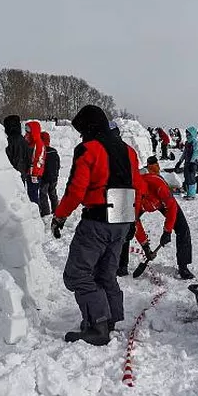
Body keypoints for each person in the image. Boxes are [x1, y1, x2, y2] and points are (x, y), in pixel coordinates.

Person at [51, 105, 144, 346]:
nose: (81, 136)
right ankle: (110, 318)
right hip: (122, 219)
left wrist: (59, 216)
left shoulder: (88, 149)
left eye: (82, 131)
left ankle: (97, 326)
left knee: (77, 274)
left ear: (89, 127)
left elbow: (75, 191)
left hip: (97, 221)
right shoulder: (128, 151)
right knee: (105, 272)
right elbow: (138, 187)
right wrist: (133, 219)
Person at [120, 156, 194, 280]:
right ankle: (121, 266)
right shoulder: (130, 198)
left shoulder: (158, 185)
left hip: (161, 202)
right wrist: (145, 246)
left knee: (182, 228)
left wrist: (167, 231)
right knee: (126, 227)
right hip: (144, 205)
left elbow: (171, 208)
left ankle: (183, 266)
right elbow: (135, 222)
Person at [174, 126, 198, 199]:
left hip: (193, 163)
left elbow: (196, 153)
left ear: (192, 134)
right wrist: (179, 162)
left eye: (189, 134)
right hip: (187, 162)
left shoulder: (196, 143)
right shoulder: (187, 143)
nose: (187, 136)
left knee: (191, 178)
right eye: (186, 134)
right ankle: (188, 193)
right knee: (186, 177)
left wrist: (192, 163)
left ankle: (192, 195)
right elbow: (184, 153)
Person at [23, 121, 46, 205]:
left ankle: (36, 212)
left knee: (33, 195)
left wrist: (35, 174)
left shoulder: (39, 143)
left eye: (28, 129)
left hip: (35, 174)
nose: (27, 131)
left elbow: (39, 160)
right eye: (26, 129)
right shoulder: (28, 141)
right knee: (29, 194)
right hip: (28, 172)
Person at [3, 115, 30, 184]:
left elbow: (6, 159)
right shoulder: (24, 140)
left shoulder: (8, 141)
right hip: (23, 172)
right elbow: (28, 157)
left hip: (12, 174)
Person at [38, 131, 60, 218]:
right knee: (53, 194)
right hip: (54, 177)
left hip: (44, 178)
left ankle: (46, 213)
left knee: (43, 195)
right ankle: (56, 210)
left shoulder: (41, 151)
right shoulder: (54, 151)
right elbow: (58, 164)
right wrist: (56, 174)